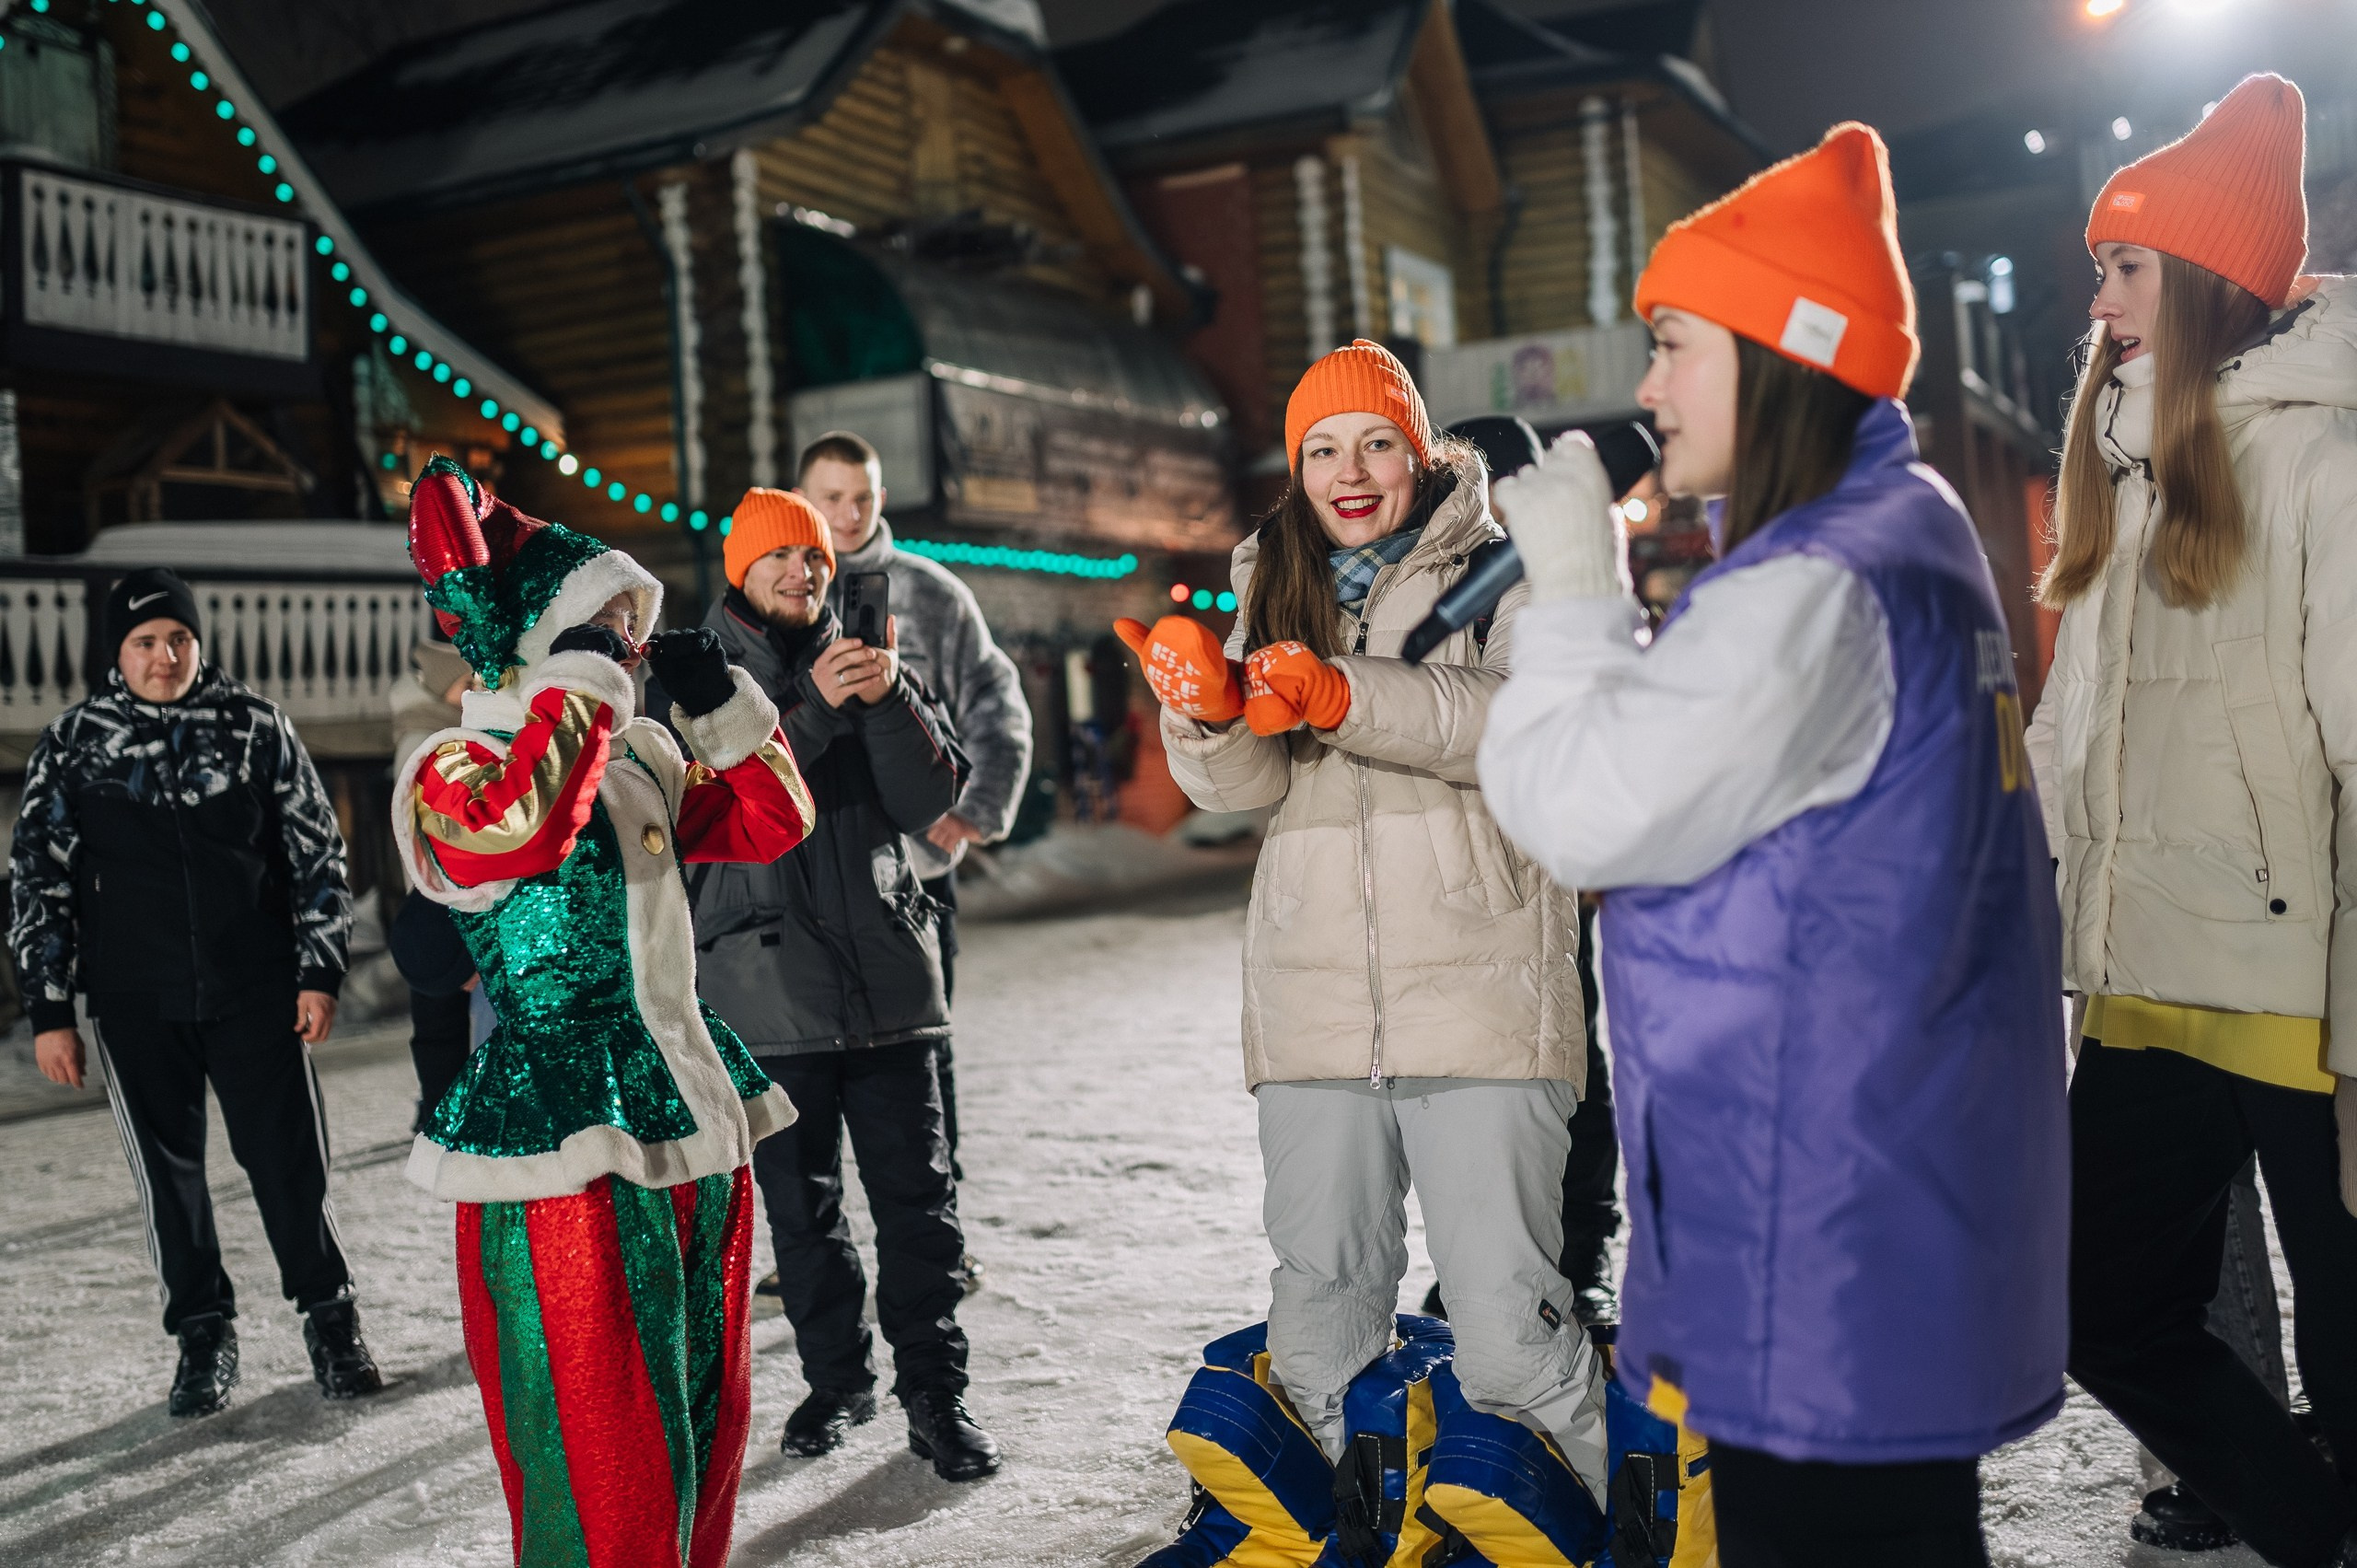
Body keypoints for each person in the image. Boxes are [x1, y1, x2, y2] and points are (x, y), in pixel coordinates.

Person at [1475, 124, 2070, 1566]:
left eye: (1674, 345)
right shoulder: (1905, 528)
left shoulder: (1812, 588)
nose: (1647, 386)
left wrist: (1572, 597)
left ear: (1783, 351)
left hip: (1822, 1225)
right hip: (1883, 1192)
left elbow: (1577, 803)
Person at [1119, 340, 1612, 1504]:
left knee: (1508, 1333)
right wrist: (1206, 716)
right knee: (1319, 1328)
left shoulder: (1501, 570)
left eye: (1375, 443)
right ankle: (1358, 1529)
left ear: (1420, 452)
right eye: (1322, 450)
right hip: (1315, 1006)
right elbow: (1241, 786)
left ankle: (1605, 1520)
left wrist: (1345, 692)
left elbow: (1522, 722)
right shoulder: (1270, 583)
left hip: (1482, 999)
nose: (1349, 472)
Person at [2025, 75, 2357, 1568]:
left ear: (2214, 277)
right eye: (2100, 266)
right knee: (2090, 1297)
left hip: (2307, 992)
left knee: (2352, 1351)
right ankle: (2311, 1524)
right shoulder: (2120, 474)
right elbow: (2069, 732)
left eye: (2126, 266)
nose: (2098, 299)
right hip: (2149, 975)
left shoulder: (2320, 464)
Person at [397, 457, 816, 1568]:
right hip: (562, 1146)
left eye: (632, 625)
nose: (628, 644)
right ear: (544, 635)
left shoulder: (638, 754)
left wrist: (719, 702)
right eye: (606, 623)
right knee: (601, 1458)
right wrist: (580, 685)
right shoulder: (450, 765)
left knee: (702, 1430)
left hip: (690, 1111)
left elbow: (773, 821)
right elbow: (526, 826)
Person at [667, 486, 999, 1481]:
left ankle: (936, 1395)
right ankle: (835, 1380)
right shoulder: (695, 676)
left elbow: (929, 797)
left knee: (919, 1206)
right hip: (766, 992)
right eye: (779, 556)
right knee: (802, 1212)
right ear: (741, 568)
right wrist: (814, 708)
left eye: (813, 557)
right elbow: (713, 808)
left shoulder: (871, 654)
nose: (801, 572)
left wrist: (889, 696)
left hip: (891, 981)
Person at [9, 566, 377, 1418]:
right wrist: (50, 1011)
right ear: (117, 652)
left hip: (257, 991)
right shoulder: (75, 743)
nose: (165, 656)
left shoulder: (254, 727)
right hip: (136, 1000)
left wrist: (319, 971)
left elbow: (316, 853)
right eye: (145, 642)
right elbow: (38, 883)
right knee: (168, 1179)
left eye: (179, 638)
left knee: (287, 1164)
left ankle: (331, 1318)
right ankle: (203, 1333)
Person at [797, 430, 1033, 1203]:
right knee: (808, 1059)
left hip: (914, 876)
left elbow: (996, 700)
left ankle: (940, 1217)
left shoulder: (932, 593)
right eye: (832, 497)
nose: (849, 513)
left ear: (882, 498)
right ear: (803, 498)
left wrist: (975, 809)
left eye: (862, 497)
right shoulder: (784, 592)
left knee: (926, 1052)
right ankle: (820, 1229)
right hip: (808, 874)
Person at [1438, 413, 1620, 1346]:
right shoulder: (1441, 578)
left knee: (1566, 1062)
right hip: (1456, 871)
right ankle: (1482, 1264)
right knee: (1470, 1076)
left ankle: (1579, 1257)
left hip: (1547, 867)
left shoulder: (1559, 576)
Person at [389, 636, 478, 1128]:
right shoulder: (429, 741)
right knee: (441, 1022)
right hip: (444, 901)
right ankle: (443, 1113)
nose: (474, 693)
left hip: (437, 899)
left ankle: (440, 1111)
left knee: (437, 1023)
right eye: (465, 684)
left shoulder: (433, 730)